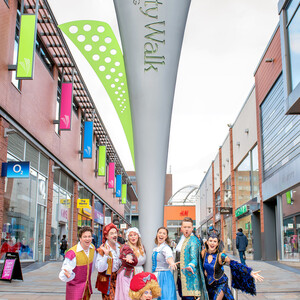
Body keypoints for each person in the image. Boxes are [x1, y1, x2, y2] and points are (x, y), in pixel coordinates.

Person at [201, 227, 263, 300]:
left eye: (215, 241)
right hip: (209, 285)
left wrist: (249, 272)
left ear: (217, 243)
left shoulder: (221, 256)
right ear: (207, 242)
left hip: (221, 284)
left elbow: (234, 264)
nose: (212, 243)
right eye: (210, 241)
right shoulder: (203, 253)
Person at [58, 226, 102, 300]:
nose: (87, 239)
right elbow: (65, 270)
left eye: (89, 236)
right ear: (80, 238)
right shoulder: (72, 253)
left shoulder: (92, 249)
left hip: (87, 288)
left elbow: (93, 266)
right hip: (74, 289)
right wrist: (67, 274)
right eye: (85, 237)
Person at [175, 217, 208, 300]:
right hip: (180, 277)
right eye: (185, 227)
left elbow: (194, 258)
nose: (187, 229)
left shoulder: (193, 240)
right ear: (181, 228)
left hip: (190, 279)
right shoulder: (181, 239)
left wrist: (191, 265)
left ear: (192, 228)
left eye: (189, 227)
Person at [95, 223, 122, 300]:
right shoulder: (102, 249)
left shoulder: (120, 247)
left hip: (119, 279)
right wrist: (106, 255)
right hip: (107, 280)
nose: (115, 235)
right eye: (112, 233)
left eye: (115, 233)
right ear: (106, 236)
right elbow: (100, 269)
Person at [115, 228, 143, 300]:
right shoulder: (126, 247)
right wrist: (129, 257)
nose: (133, 237)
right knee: (127, 296)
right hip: (127, 274)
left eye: (135, 235)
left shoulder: (141, 248)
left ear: (138, 236)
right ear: (128, 237)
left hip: (139, 274)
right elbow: (128, 254)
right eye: (131, 235)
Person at [152, 227, 177, 300]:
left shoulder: (166, 248)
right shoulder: (155, 248)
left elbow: (169, 257)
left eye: (164, 233)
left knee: (166, 297)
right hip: (156, 275)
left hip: (164, 277)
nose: (161, 235)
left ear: (166, 237)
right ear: (157, 234)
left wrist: (172, 263)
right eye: (160, 233)